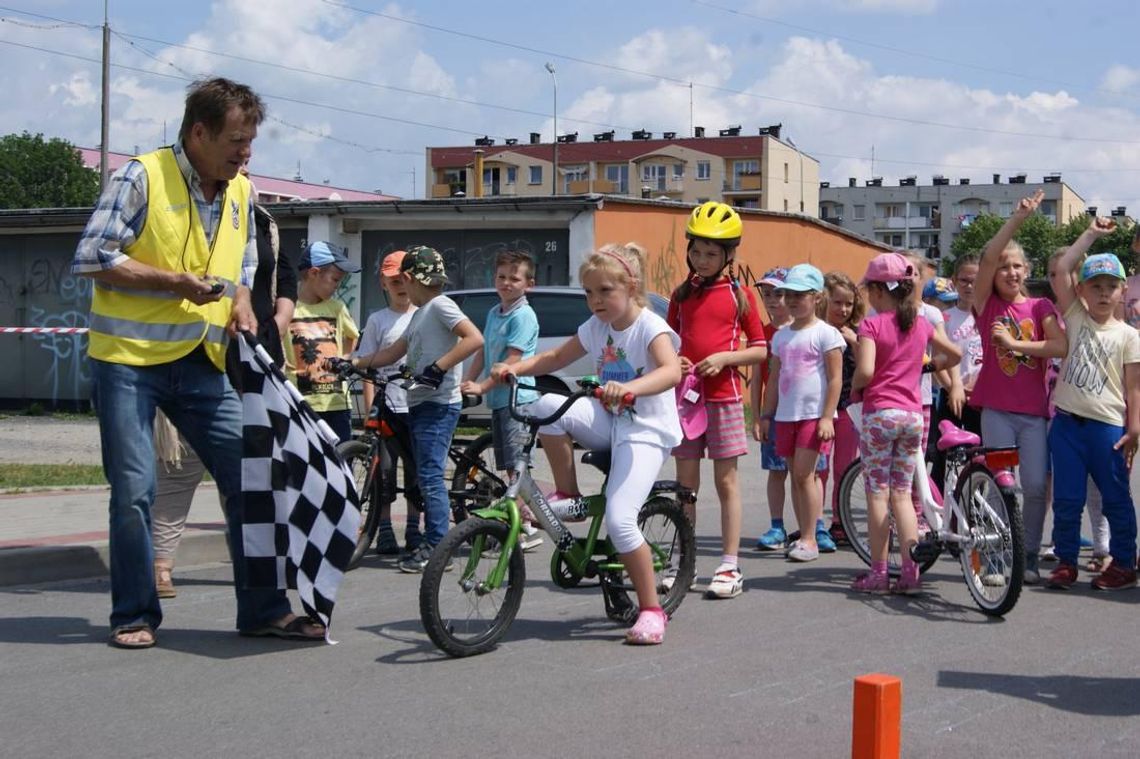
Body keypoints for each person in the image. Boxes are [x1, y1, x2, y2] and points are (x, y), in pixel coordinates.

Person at [71, 77, 319, 649]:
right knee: (134, 489)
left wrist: (238, 303)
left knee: (251, 479)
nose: (246, 152)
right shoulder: (140, 176)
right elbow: (91, 256)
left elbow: (243, 267)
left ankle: (263, 609)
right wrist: (172, 282)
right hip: (129, 363)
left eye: (251, 141)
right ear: (199, 132)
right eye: (236, 140)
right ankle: (134, 614)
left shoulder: (241, 192)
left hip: (202, 362)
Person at [492, 242, 682, 645]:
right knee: (543, 402)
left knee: (620, 519)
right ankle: (568, 490)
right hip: (610, 419)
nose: (595, 301)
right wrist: (514, 368)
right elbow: (556, 357)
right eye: (589, 292)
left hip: (645, 429)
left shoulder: (650, 326)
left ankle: (651, 610)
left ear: (630, 287)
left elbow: (670, 372)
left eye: (605, 292)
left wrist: (629, 388)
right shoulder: (595, 326)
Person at [150, 165, 297, 599]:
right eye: (236, 168)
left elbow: (282, 274)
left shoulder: (264, 221)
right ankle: (160, 565)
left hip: (257, 357)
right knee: (181, 464)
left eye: (249, 170)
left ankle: (253, 568)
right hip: (199, 354)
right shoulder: (200, 218)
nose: (242, 175)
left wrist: (282, 317)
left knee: (250, 471)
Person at [352, 246, 484, 573]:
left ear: (409, 278)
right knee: (425, 473)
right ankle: (432, 538)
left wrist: (438, 368)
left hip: (438, 405)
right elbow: (390, 354)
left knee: (428, 475)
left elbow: (474, 338)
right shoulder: (418, 315)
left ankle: (438, 545)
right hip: (420, 403)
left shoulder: (440, 305)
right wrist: (351, 363)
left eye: (403, 282)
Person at [666, 202, 767, 599]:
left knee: (726, 482)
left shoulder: (739, 296)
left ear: (728, 255)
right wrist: (675, 359)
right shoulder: (679, 295)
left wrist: (726, 358)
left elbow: (760, 349)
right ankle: (684, 561)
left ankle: (729, 563)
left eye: (711, 253)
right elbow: (667, 344)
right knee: (685, 487)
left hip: (724, 398)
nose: (702, 259)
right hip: (686, 401)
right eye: (696, 251)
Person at [849, 253, 961, 594]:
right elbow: (954, 355)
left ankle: (879, 573)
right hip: (913, 416)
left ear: (879, 291)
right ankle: (911, 574)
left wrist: (855, 385)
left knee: (877, 496)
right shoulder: (922, 323)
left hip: (880, 415)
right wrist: (928, 365)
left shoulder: (871, 325)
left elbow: (867, 371)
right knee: (902, 495)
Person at [972, 189, 1066, 585]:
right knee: (1000, 485)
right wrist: (1018, 218)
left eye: (1017, 266)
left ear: (1027, 270)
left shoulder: (1040, 308)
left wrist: (1014, 345)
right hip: (996, 411)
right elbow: (988, 254)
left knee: (1033, 485)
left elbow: (1059, 345)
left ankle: (1026, 554)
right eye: (1004, 267)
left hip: (1032, 414)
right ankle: (996, 558)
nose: (1010, 272)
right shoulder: (987, 306)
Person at [1043, 222, 1139, 591]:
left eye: (1110, 287)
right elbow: (1064, 266)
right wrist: (1092, 235)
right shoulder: (1076, 317)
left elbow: (1134, 388)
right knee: (1067, 499)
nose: (1103, 294)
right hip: (1066, 426)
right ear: (1080, 290)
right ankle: (1066, 561)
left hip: (1108, 429)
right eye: (1095, 286)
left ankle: (1124, 563)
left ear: (1122, 291)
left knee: (1116, 498)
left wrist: (1134, 429)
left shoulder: (1130, 336)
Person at [757, 263, 843, 563]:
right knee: (796, 476)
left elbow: (835, 379)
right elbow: (775, 379)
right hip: (785, 417)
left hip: (812, 416)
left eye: (800, 295)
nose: (792, 301)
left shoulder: (826, 334)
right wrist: (766, 416)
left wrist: (826, 416)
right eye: (787, 294)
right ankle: (804, 532)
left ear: (817, 297)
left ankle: (810, 538)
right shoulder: (780, 337)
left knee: (806, 475)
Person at [460, 249, 544, 551]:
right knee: (509, 465)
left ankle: (526, 528)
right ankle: (519, 524)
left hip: (518, 400)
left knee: (516, 468)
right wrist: (468, 381)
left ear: (529, 284)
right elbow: (483, 351)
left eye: (514, 278)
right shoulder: (495, 312)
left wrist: (481, 388)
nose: (507, 283)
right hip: (500, 400)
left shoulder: (524, 316)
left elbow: (511, 360)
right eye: (502, 277)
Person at [355, 250, 423, 557]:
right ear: (383, 283)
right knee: (383, 471)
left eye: (403, 279)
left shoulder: (422, 314)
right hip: (386, 406)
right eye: (392, 280)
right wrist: (371, 409)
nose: (399, 285)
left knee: (416, 472)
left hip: (416, 405)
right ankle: (382, 529)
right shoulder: (377, 320)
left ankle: (413, 528)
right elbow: (369, 367)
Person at [284, 241, 361, 443]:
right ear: (314, 273)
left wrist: (343, 358)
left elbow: (352, 336)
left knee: (340, 461)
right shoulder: (287, 308)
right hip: (300, 401)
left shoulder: (336, 307)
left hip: (336, 402)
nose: (337, 286)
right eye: (335, 280)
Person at [817, 271, 865, 544]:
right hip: (821, 408)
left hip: (848, 407)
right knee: (818, 468)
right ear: (824, 300)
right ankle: (815, 521)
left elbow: (867, 367)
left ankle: (840, 521)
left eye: (848, 304)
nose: (843, 309)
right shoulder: (817, 330)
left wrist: (854, 342)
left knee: (843, 466)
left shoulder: (858, 333)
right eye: (837, 302)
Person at [930, 254, 981, 492]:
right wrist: (952, 388)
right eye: (964, 281)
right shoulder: (945, 318)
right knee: (944, 457)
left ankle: (975, 508)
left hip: (981, 398)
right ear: (954, 281)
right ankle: (940, 509)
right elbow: (937, 360)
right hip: (951, 396)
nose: (970, 286)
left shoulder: (989, 314)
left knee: (979, 458)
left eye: (976, 280)